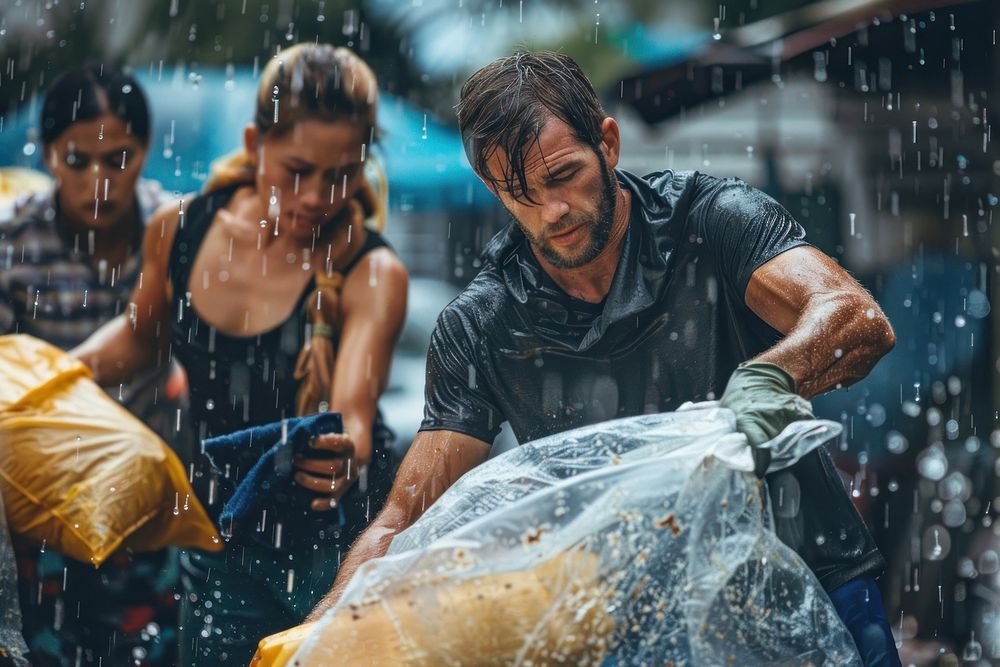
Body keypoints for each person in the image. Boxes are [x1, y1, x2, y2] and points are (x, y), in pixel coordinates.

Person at [309, 52, 901, 666]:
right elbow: (402, 522)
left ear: (609, 143)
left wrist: (769, 379)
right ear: (493, 190)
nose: (552, 212)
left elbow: (854, 318)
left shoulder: (713, 222)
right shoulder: (483, 325)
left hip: (813, 573)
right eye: (521, 195)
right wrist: (316, 636)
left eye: (563, 176)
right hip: (635, 620)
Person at [72, 44, 408, 665]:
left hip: (341, 550)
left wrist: (343, 453)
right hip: (221, 538)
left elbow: (355, 414)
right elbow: (138, 339)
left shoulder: (373, 270)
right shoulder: (179, 228)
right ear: (255, 145)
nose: (316, 197)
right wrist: (60, 373)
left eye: (341, 175)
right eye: (297, 170)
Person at [0, 65, 184, 667]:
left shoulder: (180, 231)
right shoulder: (11, 243)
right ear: (48, 154)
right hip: (44, 500)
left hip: (152, 501)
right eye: (78, 161)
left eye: (120, 158)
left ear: (146, 152)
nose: (100, 181)